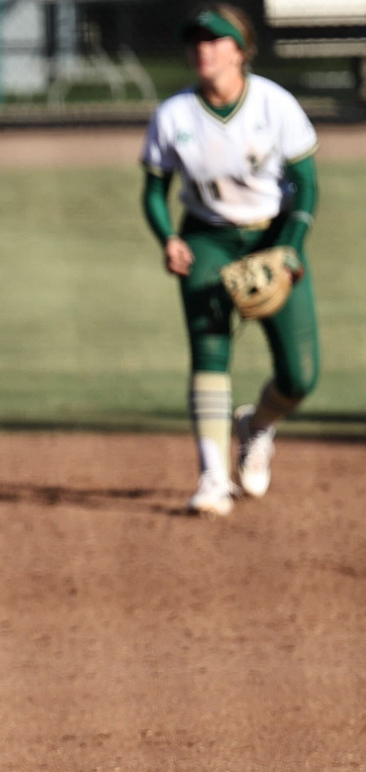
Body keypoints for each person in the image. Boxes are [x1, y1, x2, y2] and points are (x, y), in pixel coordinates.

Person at [140, 4, 321, 517]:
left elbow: (307, 185)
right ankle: (213, 478)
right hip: (207, 239)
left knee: (300, 377)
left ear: (240, 51)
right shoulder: (174, 115)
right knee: (209, 351)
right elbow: (154, 190)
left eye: (215, 40)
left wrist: (291, 246)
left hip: (273, 236)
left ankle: (257, 426)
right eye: (196, 41)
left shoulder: (274, 104)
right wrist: (168, 239)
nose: (203, 49)